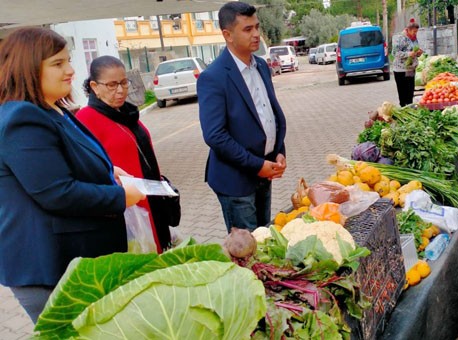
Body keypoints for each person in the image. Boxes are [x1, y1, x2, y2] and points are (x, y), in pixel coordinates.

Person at [0, 28, 145, 323]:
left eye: (68, 61)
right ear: (26, 67)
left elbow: (66, 160)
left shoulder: (51, 109)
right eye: (57, 64)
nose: (70, 70)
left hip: (70, 260)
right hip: (50, 268)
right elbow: (57, 192)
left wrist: (107, 171)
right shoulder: (22, 118)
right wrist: (120, 197)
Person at [197, 1, 287, 232]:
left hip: (264, 171)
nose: (256, 34)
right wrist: (257, 166)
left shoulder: (261, 66)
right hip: (235, 181)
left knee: (264, 238)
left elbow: (268, 115)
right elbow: (215, 136)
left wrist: (278, 151)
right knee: (247, 251)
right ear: (227, 34)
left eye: (257, 26)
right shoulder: (213, 77)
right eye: (248, 29)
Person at [76, 55, 176, 252]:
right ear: (95, 86)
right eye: (112, 85)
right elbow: (86, 169)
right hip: (128, 211)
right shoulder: (86, 119)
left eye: (124, 82)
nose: (120, 90)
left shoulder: (126, 114)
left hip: (151, 201)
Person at [392, 19, 422, 107]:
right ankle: (404, 108)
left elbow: (415, 49)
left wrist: (418, 53)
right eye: (414, 31)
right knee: (403, 92)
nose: (415, 33)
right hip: (400, 69)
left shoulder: (414, 39)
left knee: (410, 91)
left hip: (410, 68)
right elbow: (395, 53)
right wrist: (408, 54)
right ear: (408, 30)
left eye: (416, 32)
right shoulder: (399, 38)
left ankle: (410, 107)